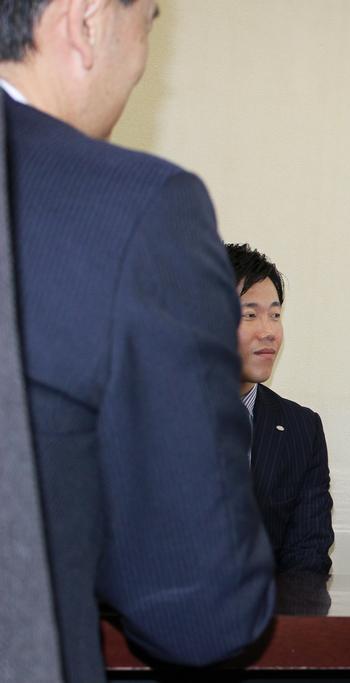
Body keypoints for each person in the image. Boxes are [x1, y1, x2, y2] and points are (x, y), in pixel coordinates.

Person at [0, 0, 275, 679]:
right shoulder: (136, 210)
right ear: (87, 22)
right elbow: (202, 612)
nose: (144, 63)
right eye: (148, 21)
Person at [226, 242, 334, 574]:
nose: (269, 331)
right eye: (250, 314)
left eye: (275, 315)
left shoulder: (301, 429)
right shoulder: (146, 418)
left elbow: (308, 560)